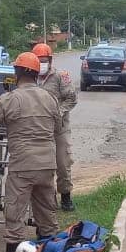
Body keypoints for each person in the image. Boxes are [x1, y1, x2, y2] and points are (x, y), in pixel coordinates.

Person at [0, 52, 62, 252]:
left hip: (23, 164)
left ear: (17, 73)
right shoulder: (50, 98)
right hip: (47, 162)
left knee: (15, 208)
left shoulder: (9, 99)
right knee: (46, 208)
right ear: (36, 74)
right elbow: (58, 128)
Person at [32, 42, 78, 210]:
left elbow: (71, 98)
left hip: (59, 127)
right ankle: (47, 201)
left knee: (63, 163)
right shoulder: (29, 78)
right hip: (38, 129)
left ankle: (66, 197)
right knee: (41, 167)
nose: (42, 63)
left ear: (50, 60)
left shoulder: (60, 76)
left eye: (44, 60)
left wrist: (57, 112)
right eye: (38, 60)